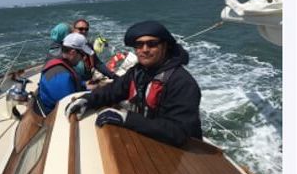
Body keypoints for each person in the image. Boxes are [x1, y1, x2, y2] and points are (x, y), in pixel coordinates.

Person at [65, 20, 202, 148]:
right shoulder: (138, 72)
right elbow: (114, 90)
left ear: (165, 46)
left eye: (152, 44)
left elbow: (178, 132)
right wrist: (88, 100)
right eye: (139, 45)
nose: (145, 49)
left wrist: (127, 119)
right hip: (149, 140)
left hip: (182, 153)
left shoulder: (182, 83)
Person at [34, 32, 93, 116]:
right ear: (72, 53)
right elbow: (69, 106)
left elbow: (70, 84)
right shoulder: (60, 76)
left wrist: (85, 85)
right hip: (53, 114)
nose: (83, 58)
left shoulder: (61, 64)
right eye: (83, 54)